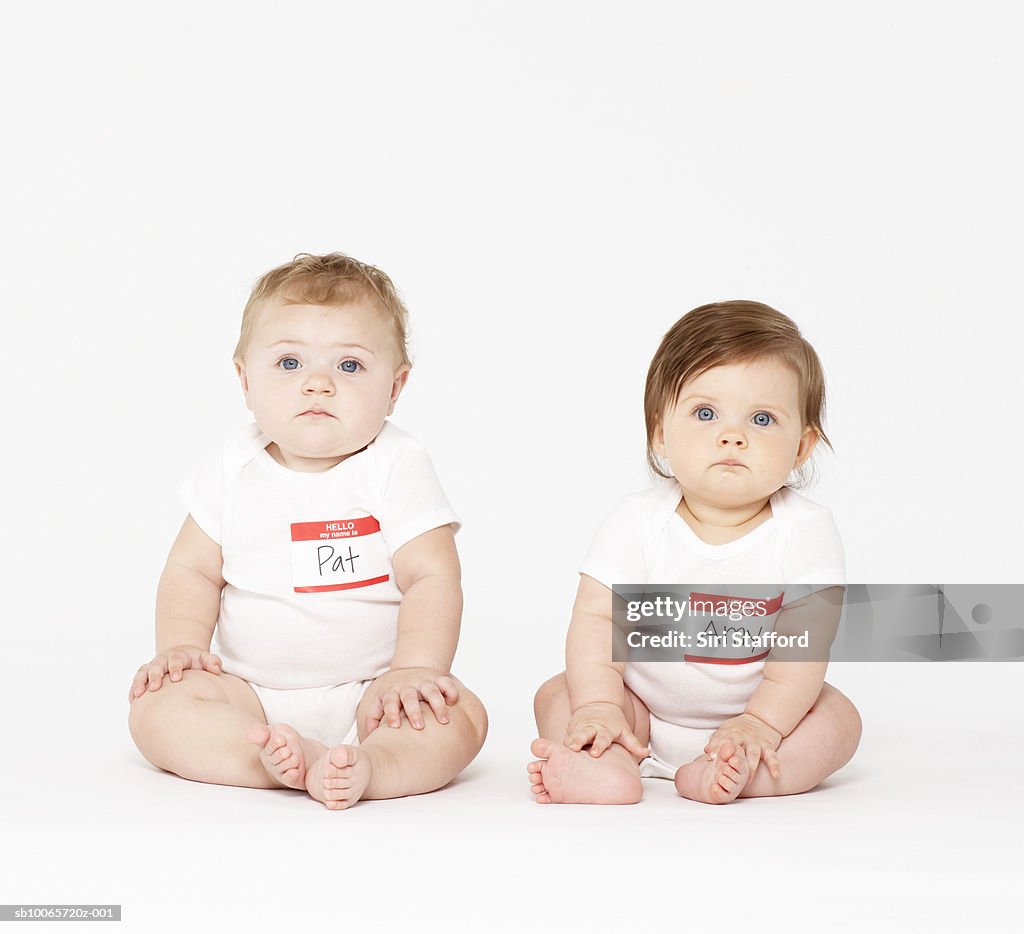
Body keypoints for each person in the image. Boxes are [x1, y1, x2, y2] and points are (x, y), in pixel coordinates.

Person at [129, 252, 487, 810]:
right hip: (246, 695)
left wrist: (415, 670)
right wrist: (180, 649)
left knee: (460, 715)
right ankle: (265, 759)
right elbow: (192, 568)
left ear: (396, 387)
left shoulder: (397, 464)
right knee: (156, 709)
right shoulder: (232, 466)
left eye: (349, 366)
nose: (317, 384)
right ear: (245, 380)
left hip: (374, 694)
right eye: (290, 363)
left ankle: (376, 764)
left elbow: (432, 575)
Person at [528, 301, 861, 804]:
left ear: (801, 447)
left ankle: (739, 772)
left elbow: (801, 651)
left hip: (764, 717)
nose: (733, 435)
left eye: (763, 418)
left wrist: (760, 725)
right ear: (661, 432)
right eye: (705, 413)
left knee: (839, 720)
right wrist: (599, 704)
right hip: (641, 711)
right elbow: (599, 621)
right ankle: (608, 760)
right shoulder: (638, 521)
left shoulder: (806, 532)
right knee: (558, 692)